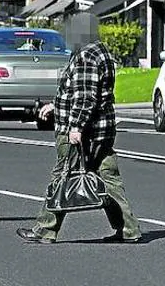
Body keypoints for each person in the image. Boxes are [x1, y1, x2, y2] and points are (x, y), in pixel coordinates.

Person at [16, 12, 141, 245]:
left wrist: (76, 127)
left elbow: (86, 98)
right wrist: (57, 104)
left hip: (84, 133)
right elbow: (85, 90)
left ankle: (45, 229)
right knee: (109, 179)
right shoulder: (101, 51)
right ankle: (128, 229)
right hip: (102, 131)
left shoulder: (86, 55)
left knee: (62, 176)